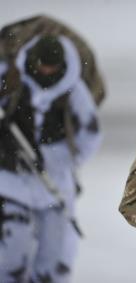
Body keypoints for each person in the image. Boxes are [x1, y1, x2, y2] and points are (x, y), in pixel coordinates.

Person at [0, 34, 101, 283]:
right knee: (11, 251)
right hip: (11, 179)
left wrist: (60, 161)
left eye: (52, 66)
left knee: (54, 257)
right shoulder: (11, 80)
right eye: (43, 64)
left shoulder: (72, 90)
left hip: (54, 180)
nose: (47, 70)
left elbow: (90, 135)